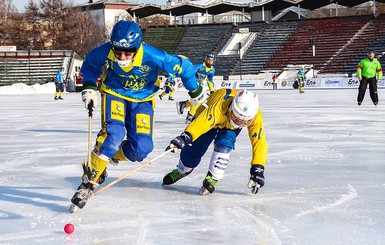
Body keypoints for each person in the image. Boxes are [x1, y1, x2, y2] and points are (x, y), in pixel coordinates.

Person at [71, 20, 206, 209]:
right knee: (113, 136)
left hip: (143, 100)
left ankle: (107, 156)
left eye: (128, 53)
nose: (122, 58)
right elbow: (91, 64)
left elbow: (184, 67)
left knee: (141, 149)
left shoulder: (152, 55)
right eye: (118, 52)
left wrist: (195, 91)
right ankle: (88, 183)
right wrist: (89, 87)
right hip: (114, 94)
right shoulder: (106, 51)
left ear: (138, 46)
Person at [163, 88, 268, 195]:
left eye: (244, 122)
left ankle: (214, 177)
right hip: (208, 118)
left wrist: (258, 168)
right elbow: (201, 124)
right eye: (236, 118)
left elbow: (259, 142)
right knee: (194, 149)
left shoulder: (255, 117)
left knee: (225, 143)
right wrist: (186, 136)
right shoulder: (218, 107)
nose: (238, 123)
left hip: (227, 127)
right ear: (231, 109)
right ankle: (183, 170)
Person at [177, 52, 216, 123]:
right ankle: (190, 116)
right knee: (199, 101)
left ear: (214, 61)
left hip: (200, 86)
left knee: (202, 101)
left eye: (211, 60)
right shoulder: (200, 66)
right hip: (193, 85)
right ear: (205, 59)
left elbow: (210, 81)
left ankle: (184, 104)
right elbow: (190, 72)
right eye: (208, 59)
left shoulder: (212, 70)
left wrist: (212, 90)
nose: (209, 61)